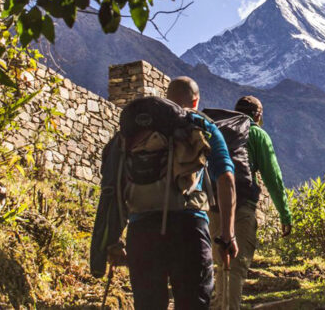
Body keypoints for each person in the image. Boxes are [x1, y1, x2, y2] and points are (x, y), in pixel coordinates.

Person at [112, 76, 238, 310]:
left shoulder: (136, 130)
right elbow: (226, 177)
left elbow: (113, 182)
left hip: (142, 230)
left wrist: (111, 236)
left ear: (167, 98)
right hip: (188, 227)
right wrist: (227, 234)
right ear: (196, 101)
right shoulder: (200, 123)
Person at [208, 95, 292, 310]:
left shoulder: (217, 131)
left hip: (212, 207)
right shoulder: (257, 134)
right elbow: (273, 177)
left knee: (218, 265)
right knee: (235, 267)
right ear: (258, 115)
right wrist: (285, 214)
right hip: (242, 207)